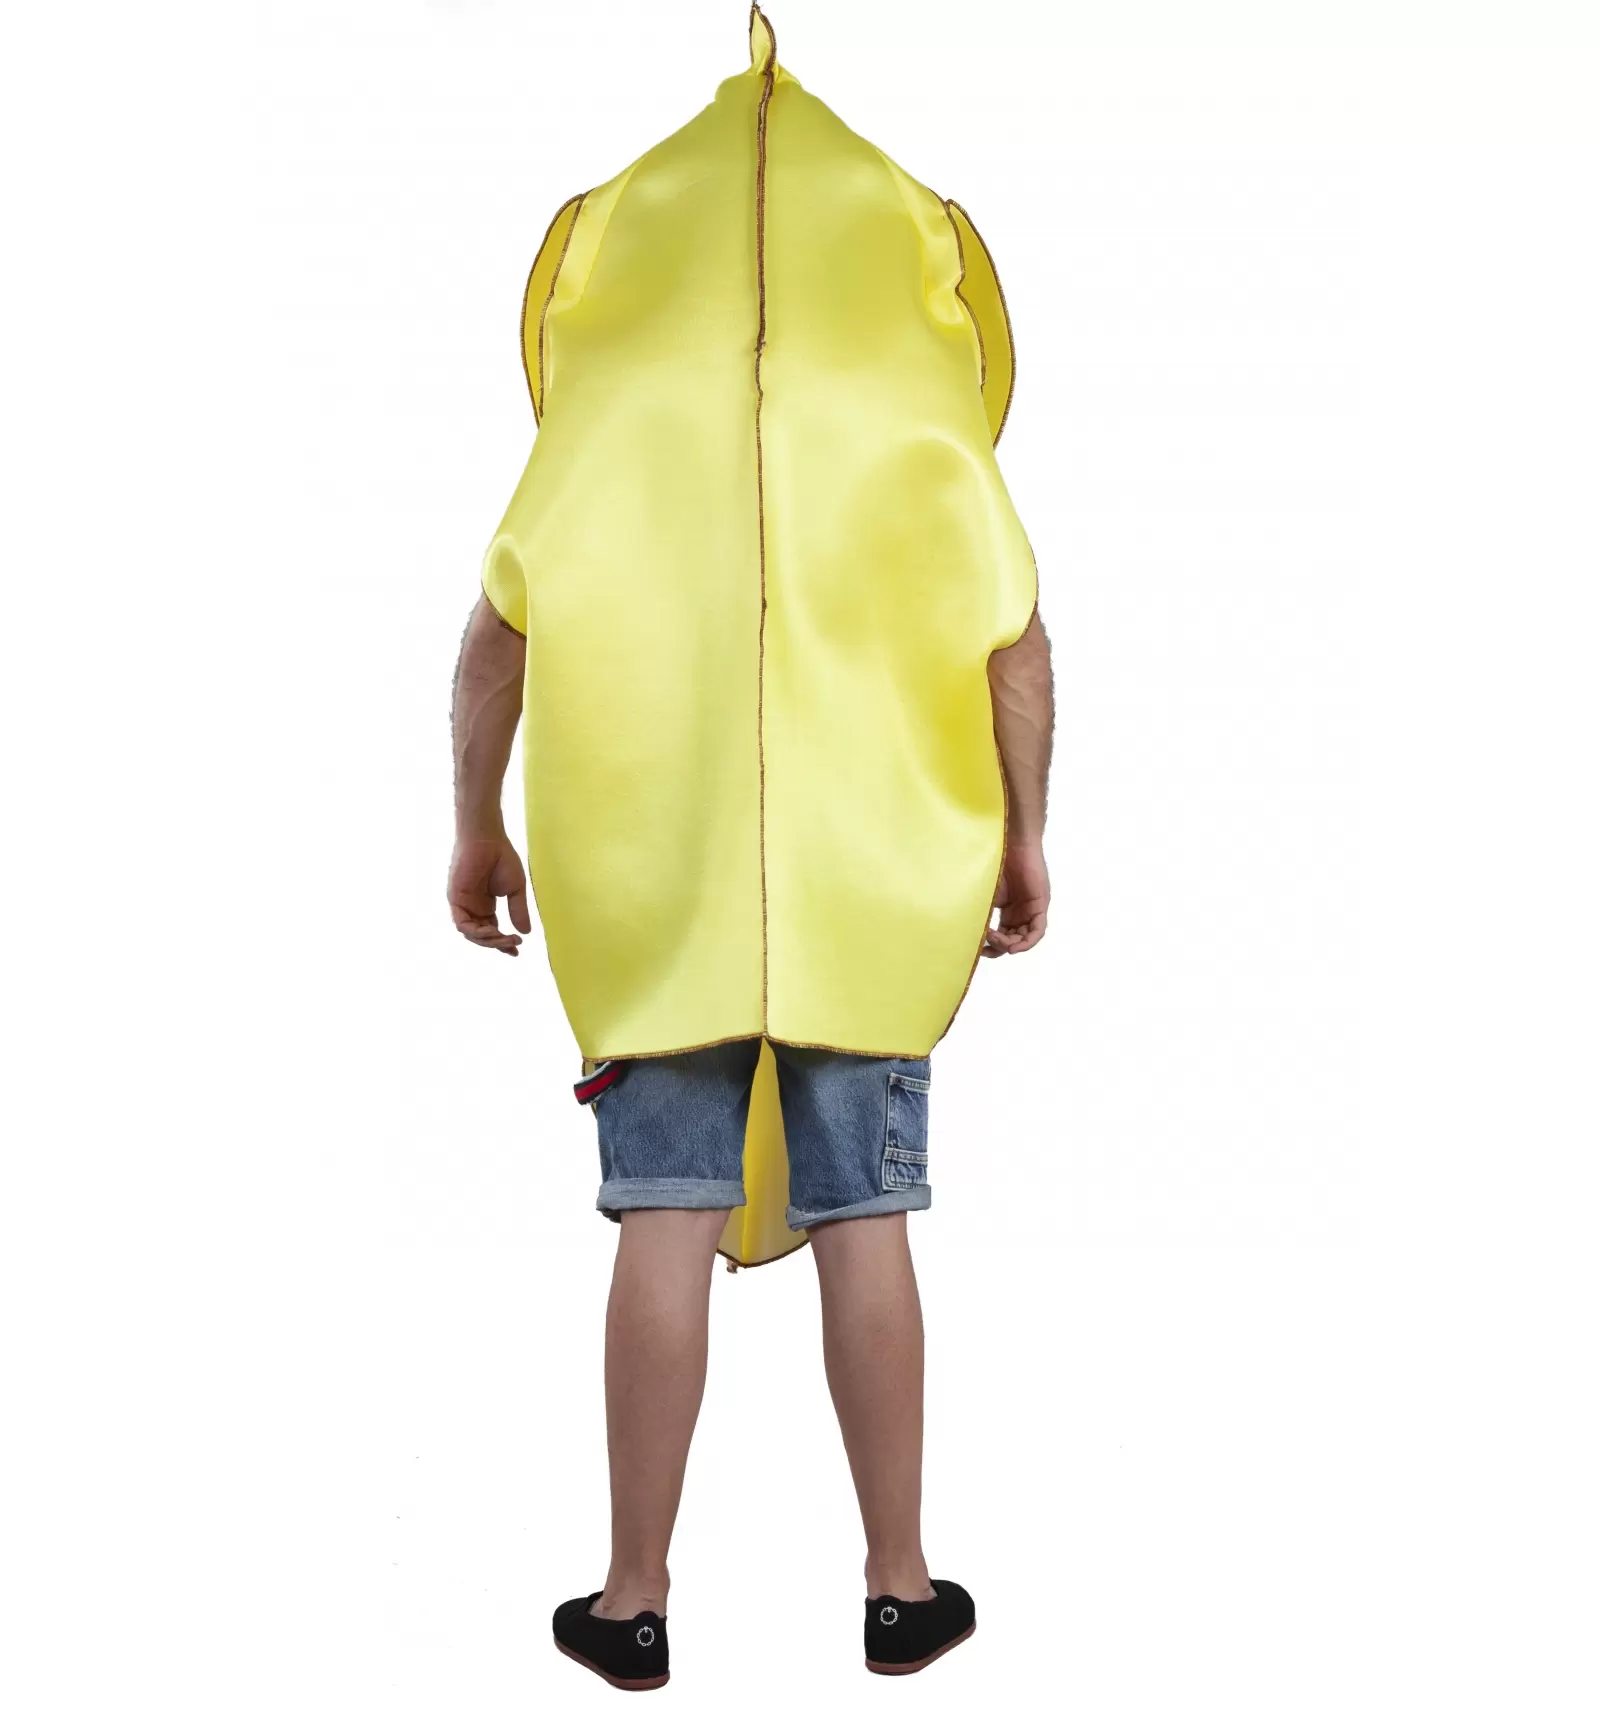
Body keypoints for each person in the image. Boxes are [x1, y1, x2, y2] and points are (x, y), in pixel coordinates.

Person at [447, 7, 1052, 1687]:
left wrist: (473, 823)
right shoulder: (912, 384)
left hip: (656, 878)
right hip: (877, 874)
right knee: (871, 1217)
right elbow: (1013, 638)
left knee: (662, 1214)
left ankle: (632, 1595)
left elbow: (498, 633)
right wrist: (1024, 834)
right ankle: (900, 1585)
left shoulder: (608, 381)